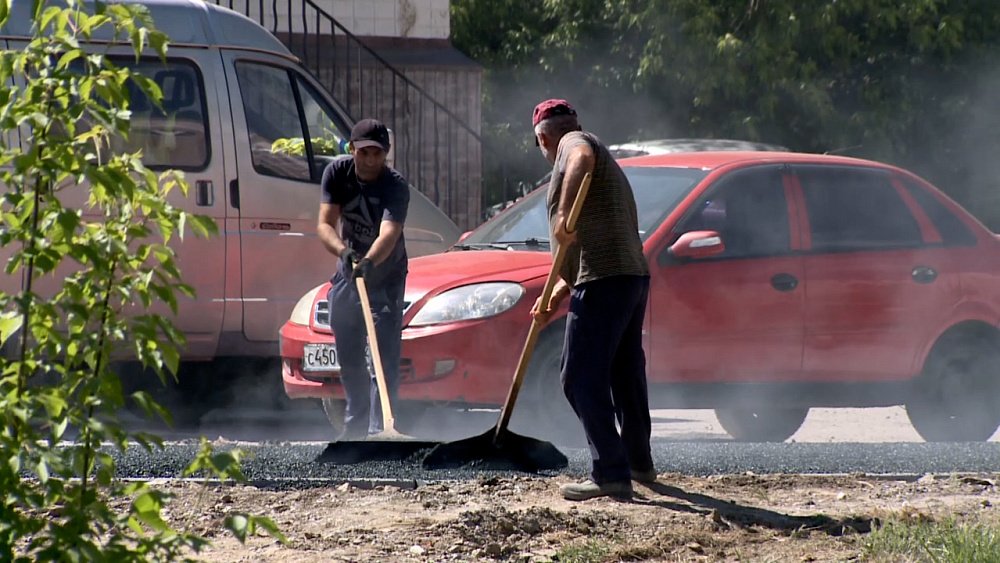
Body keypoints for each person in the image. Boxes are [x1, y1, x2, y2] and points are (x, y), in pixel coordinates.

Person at [529, 99, 655, 500]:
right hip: (628, 275)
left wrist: (562, 214)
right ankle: (638, 462)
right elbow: (591, 245)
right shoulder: (600, 154)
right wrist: (556, 292)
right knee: (624, 373)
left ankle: (610, 472)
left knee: (579, 375)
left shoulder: (574, 144)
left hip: (604, 280)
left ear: (543, 138)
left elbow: (579, 158)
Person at [317, 118, 409, 440]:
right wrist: (343, 251)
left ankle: (381, 428)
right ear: (352, 149)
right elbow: (325, 224)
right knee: (347, 345)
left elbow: (389, 233)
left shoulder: (395, 186)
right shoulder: (337, 173)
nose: (370, 160)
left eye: (377, 153)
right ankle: (355, 428)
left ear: (386, 154)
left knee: (383, 355)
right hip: (349, 271)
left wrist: (369, 261)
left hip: (386, 274)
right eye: (364, 152)